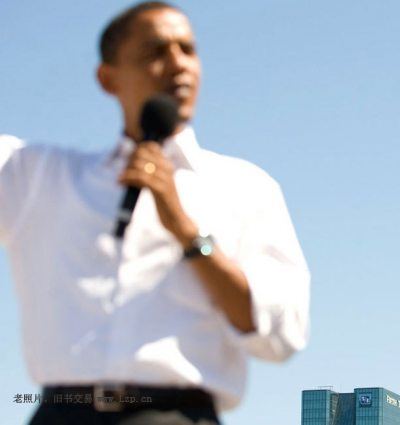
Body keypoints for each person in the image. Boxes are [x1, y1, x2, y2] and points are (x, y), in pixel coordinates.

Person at [0, 2, 310, 424]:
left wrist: (186, 233)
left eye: (188, 49)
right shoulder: (39, 177)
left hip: (175, 416)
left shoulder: (246, 188)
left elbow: (282, 335)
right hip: (61, 413)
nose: (178, 64)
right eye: (156, 52)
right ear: (107, 79)